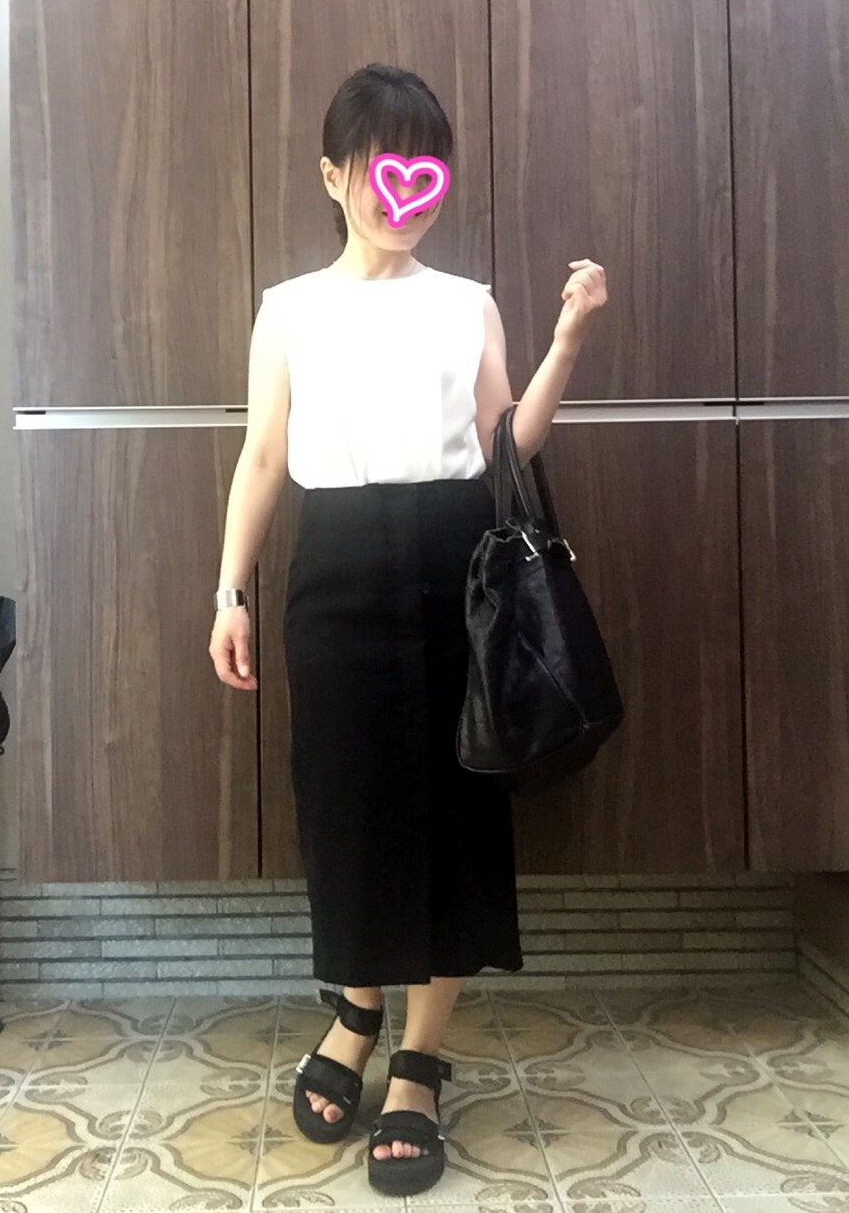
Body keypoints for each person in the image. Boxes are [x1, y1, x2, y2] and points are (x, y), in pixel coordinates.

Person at [208, 62, 607, 1195]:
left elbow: (505, 449)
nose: (404, 192)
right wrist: (229, 593)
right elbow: (264, 457)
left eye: (423, 168)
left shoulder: (465, 301)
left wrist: (567, 340)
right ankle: (355, 1013)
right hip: (333, 571)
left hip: (455, 567)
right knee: (344, 805)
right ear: (333, 175)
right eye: (381, 167)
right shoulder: (289, 308)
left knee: (454, 808)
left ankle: (420, 1060)